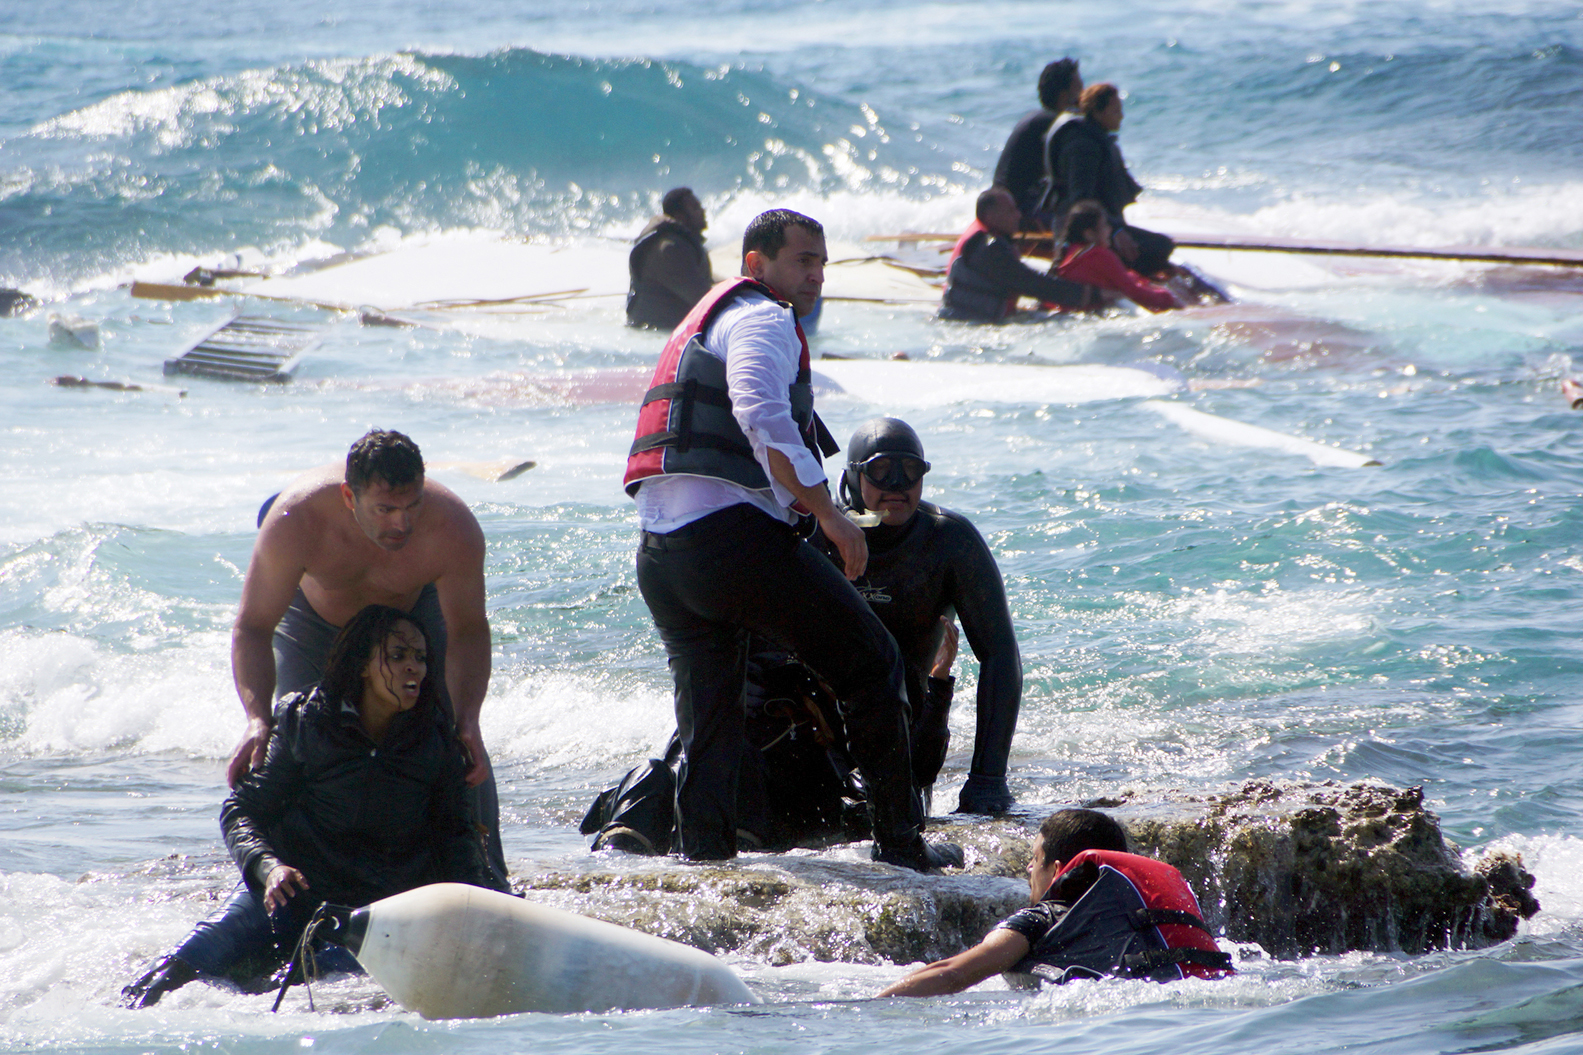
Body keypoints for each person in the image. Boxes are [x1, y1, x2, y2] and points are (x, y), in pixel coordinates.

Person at [623, 208, 959, 872]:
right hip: (728, 544)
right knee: (871, 663)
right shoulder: (761, 316)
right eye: (802, 260)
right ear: (756, 265)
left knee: (712, 713)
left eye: (822, 263)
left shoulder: (709, 318)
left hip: (663, 553)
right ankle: (899, 844)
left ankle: (705, 856)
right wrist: (827, 514)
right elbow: (760, 410)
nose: (815, 275)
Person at [583, 416, 1024, 852]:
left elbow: (1000, 656)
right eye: (881, 470)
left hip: (896, 744)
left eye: (911, 471)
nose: (897, 484)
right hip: (808, 730)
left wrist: (987, 780)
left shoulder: (949, 542)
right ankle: (636, 823)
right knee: (726, 735)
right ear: (851, 477)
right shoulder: (815, 535)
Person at [124, 605, 509, 1007]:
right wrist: (269, 868)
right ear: (362, 665)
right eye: (398, 656)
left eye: (420, 657)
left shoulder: (435, 741)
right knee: (176, 971)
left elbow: (455, 837)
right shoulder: (304, 720)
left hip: (375, 912)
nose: (414, 668)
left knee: (307, 987)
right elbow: (241, 812)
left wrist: (482, 909)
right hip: (290, 892)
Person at [228, 429, 506, 882]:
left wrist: (468, 718)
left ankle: (488, 880)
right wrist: (256, 717)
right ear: (348, 497)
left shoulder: (452, 528)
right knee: (292, 741)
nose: (402, 524)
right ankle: (277, 882)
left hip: (411, 614)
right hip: (316, 625)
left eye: (412, 505)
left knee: (456, 746)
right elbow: (253, 627)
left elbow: (469, 631)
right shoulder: (295, 520)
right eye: (385, 510)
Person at [877, 809, 1232, 997]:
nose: (1029, 868)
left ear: (1059, 870)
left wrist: (874, 1006)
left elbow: (955, 974)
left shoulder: (1045, 916)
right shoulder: (1146, 917)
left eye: (1035, 858)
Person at [1047, 83, 1175, 276]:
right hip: (1085, 231)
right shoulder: (1083, 146)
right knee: (1160, 246)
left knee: (1163, 245)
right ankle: (1125, 274)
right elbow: (1081, 200)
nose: (1121, 116)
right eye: (1116, 111)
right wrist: (1114, 232)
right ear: (1098, 112)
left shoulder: (1099, 139)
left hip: (1105, 225)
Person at [940, 187, 1095, 322]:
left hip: (972, 317)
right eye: (1011, 211)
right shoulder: (989, 248)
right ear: (990, 217)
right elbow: (1031, 283)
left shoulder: (989, 241)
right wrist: (1088, 294)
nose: (1018, 215)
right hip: (970, 322)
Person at [992, 58, 1084, 228]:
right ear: (1065, 96)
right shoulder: (1057, 125)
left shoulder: (1037, 119)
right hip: (1020, 213)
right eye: (1080, 88)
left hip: (1003, 208)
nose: (1085, 95)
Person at [1054, 201, 1182, 312]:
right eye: (1104, 226)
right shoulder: (1100, 254)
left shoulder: (1072, 251)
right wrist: (1169, 298)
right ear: (1089, 234)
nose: (1109, 230)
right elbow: (1134, 292)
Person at [626, 187, 714, 330]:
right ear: (680, 216)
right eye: (695, 208)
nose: (703, 211)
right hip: (655, 333)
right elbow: (704, 300)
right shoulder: (670, 249)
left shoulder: (678, 243)